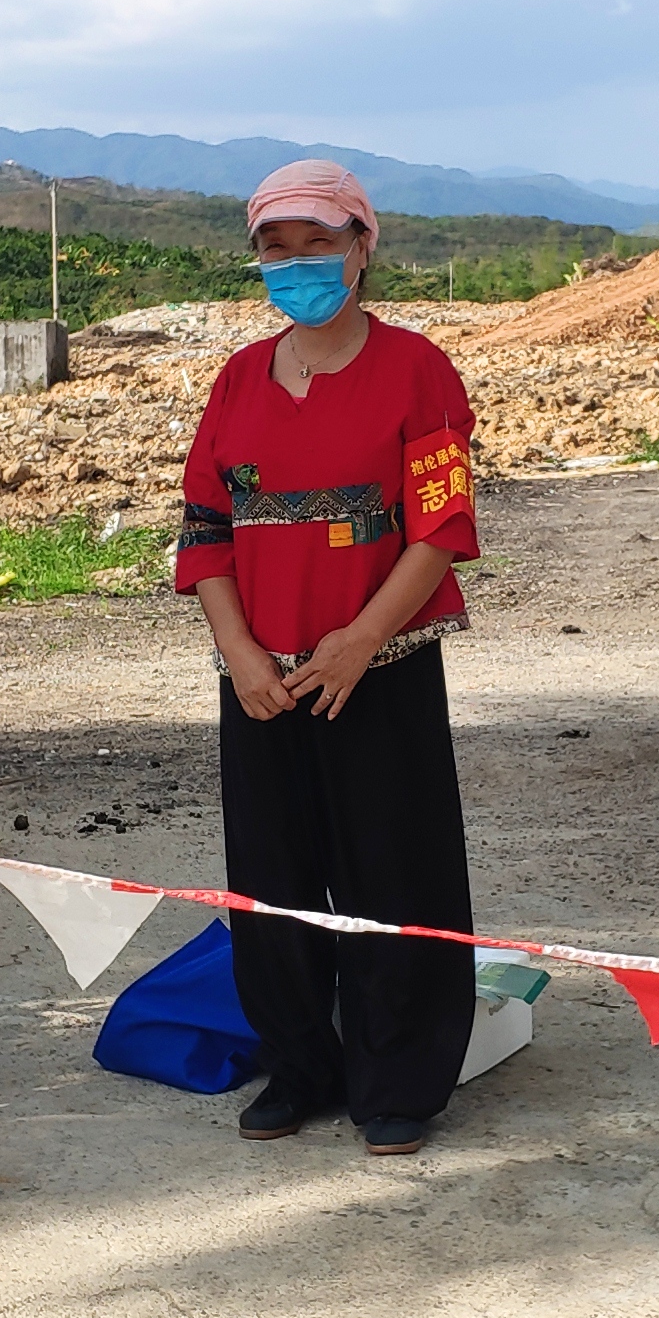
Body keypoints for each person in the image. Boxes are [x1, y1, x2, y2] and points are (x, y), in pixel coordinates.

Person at [177, 160, 483, 1158]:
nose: (297, 264)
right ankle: (301, 1063)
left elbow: (438, 526)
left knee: (399, 874)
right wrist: (239, 653)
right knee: (272, 879)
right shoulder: (235, 382)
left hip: (380, 669)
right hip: (262, 679)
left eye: (318, 243)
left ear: (362, 246)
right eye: (276, 247)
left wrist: (363, 640)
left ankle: (398, 1080)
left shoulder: (418, 372)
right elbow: (206, 531)